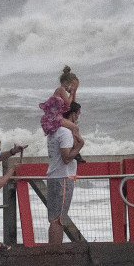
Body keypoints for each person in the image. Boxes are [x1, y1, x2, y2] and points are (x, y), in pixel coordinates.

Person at [47, 101, 85, 244]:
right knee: (59, 219)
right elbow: (67, 157)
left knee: (54, 218)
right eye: (77, 114)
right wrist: (80, 146)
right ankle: (56, 251)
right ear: (72, 114)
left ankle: (53, 250)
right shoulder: (65, 132)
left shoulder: (53, 130)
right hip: (63, 177)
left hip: (54, 176)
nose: (78, 117)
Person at [39, 65, 85, 163]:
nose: (72, 89)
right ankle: (76, 149)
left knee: (73, 128)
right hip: (55, 117)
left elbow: (72, 105)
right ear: (67, 83)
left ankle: (75, 148)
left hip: (57, 116)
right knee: (75, 128)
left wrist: (74, 93)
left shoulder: (62, 91)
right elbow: (68, 104)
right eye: (73, 86)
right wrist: (72, 93)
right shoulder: (61, 89)